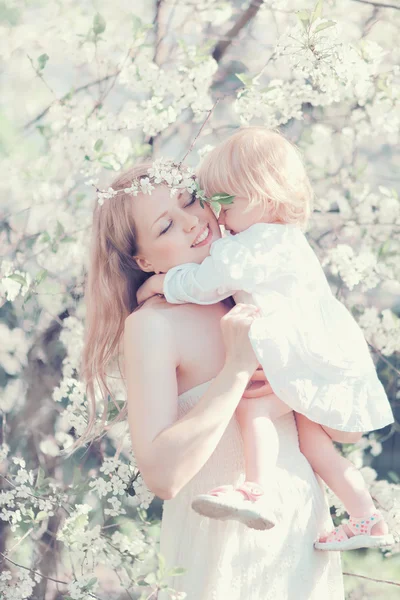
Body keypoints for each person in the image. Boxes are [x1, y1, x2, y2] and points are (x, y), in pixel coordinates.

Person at [81, 162, 344, 599]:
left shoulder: (259, 294)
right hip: (225, 557)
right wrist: (236, 371)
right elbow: (162, 476)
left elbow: (346, 429)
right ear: (142, 260)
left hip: (300, 541)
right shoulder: (153, 327)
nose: (191, 221)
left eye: (189, 200)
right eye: (166, 226)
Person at [138, 128, 394, 552]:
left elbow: (208, 283)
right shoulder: (276, 240)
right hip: (314, 355)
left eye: (226, 201)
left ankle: (256, 488)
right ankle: (367, 516)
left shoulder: (258, 246)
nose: (217, 215)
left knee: (254, 405)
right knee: (314, 442)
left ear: (266, 196)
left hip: (303, 357)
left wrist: (163, 284)